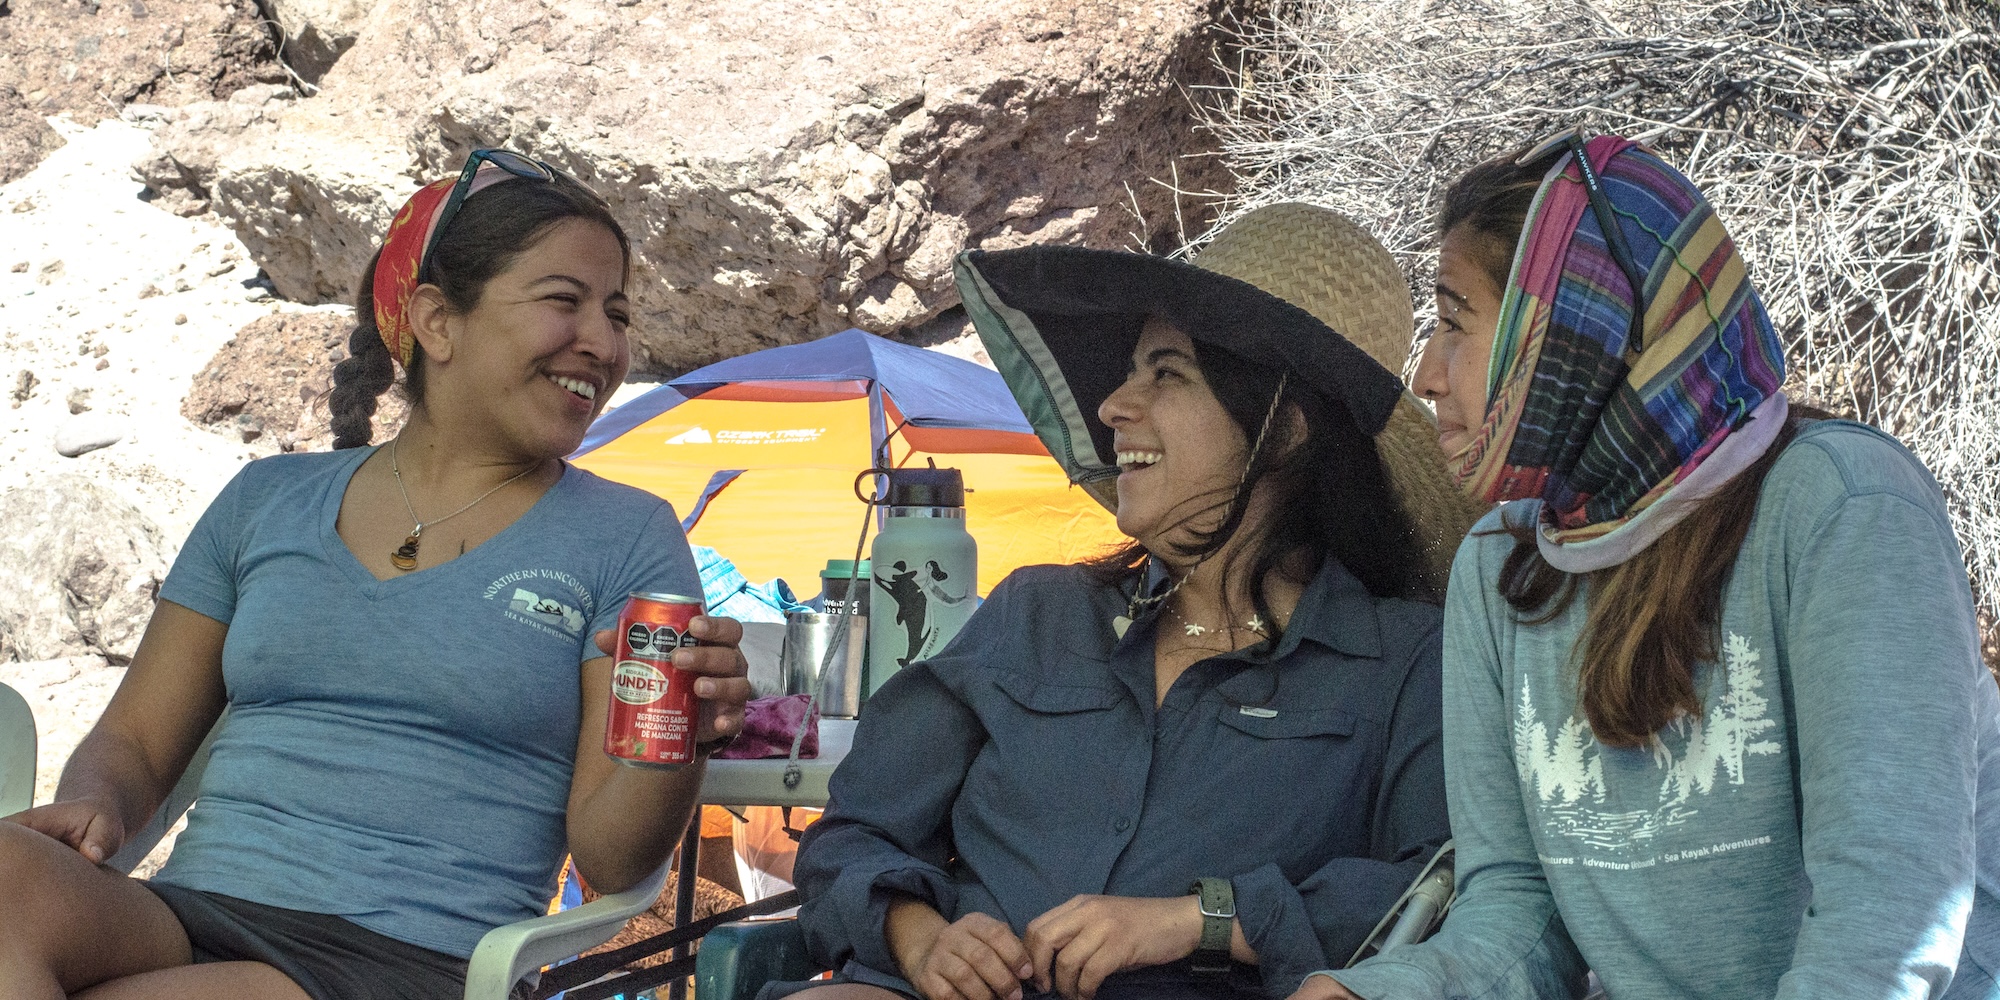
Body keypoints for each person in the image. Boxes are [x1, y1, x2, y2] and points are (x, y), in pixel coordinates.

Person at [0, 148, 754, 1000]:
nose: (605, 343)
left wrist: (685, 733)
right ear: (438, 321)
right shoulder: (266, 502)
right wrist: (99, 805)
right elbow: (135, 740)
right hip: (190, 915)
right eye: (563, 301)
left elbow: (613, 858)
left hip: (401, 959)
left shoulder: (626, 537)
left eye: (617, 314)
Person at [1299, 130, 2000, 999]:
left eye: (1454, 324)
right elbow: (1520, 913)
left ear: (1577, 339)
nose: (1429, 375)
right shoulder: (1502, 564)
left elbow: (1887, 923)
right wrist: (1383, 991)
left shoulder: (1844, 509)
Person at [774, 203, 1491, 1000]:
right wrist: (921, 939)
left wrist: (1201, 920)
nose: (1114, 405)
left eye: (1167, 372)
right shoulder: (1036, 615)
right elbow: (854, 834)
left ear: (1281, 431)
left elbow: (1439, 894)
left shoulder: (1406, 660)